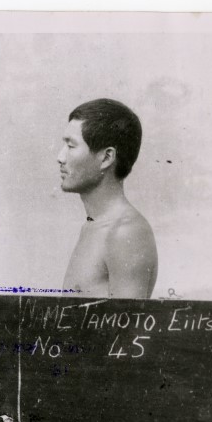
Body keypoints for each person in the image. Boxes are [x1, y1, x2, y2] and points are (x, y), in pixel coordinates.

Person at [57, 98, 157, 298]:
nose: (60, 157)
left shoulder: (125, 232)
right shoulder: (95, 226)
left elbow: (127, 318)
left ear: (106, 157)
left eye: (71, 146)